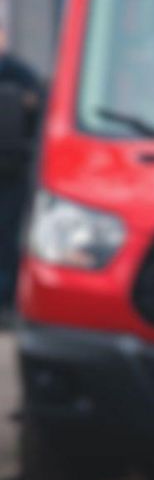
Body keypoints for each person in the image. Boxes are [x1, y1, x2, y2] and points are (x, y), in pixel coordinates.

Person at [0, 28, 45, 312]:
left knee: (9, 234)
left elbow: (41, 108)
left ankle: (7, 300)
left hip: (13, 170)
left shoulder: (20, 74)